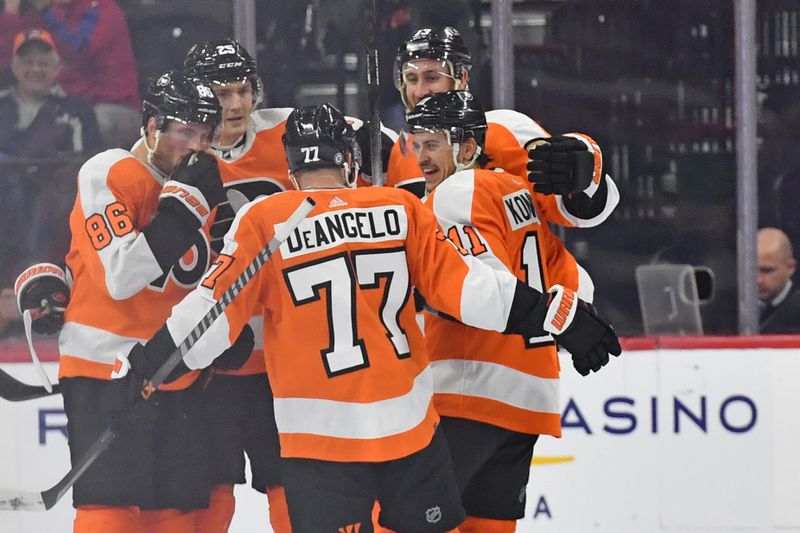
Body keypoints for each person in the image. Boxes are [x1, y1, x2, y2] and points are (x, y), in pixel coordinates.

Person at [115, 102, 617, 533]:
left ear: (291, 169)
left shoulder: (264, 220)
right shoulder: (401, 207)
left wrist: (145, 373)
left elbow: (206, 321)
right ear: (352, 160)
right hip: (412, 436)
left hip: (318, 443)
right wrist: (559, 317)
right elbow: (474, 293)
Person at [14, 69, 243, 533]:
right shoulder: (110, 170)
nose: (196, 146)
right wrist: (184, 209)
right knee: (112, 514)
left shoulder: (204, 184)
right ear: (154, 126)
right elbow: (122, 275)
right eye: (184, 132)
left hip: (175, 371)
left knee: (181, 515)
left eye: (204, 135)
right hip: (106, 370)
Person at [405, 90, 621, 532]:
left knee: (401, 523)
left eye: (433, 144)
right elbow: (575, 279)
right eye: (418, 144)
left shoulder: (455, 193)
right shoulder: (516, 190)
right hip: (528, 398)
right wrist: (571, 318)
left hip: (467, 389)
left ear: (466, 148)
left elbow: (481, 289)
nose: (421, 158)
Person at [387, 26, 621, 300]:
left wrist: (584, 174)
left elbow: (575, 212)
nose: (419, 90)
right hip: (454, 325)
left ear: (462, 77)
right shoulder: (399, 155)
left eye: (432, 77)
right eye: (411, 78)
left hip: (541, 321)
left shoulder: (504, 129)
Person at [182, 38, 295, 533]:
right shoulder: (171, 150)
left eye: (242, 90)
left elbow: (396, 155)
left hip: (284, 354)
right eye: (219, 92)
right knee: (208, 491)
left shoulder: (294, 131)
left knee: (292, 485)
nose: (234, 105)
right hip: (210, 358)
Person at [0, 0, 141, 149]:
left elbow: (79, 52)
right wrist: (11, 11)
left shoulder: (101, 7)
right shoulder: (38, 12)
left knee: (71, 122)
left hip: (111, 107)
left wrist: (46, 13)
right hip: (59, 104)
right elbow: (8, 61)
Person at [758, 227, 800, 333]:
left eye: (767, 270)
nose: (758, 280)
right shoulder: (733, 310)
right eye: (750, 271)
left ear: (790, 267)